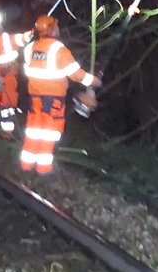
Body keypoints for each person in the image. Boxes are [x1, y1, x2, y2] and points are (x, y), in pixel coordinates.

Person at [20, 14, 100, 174]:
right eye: (55, 26)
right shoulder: (59, 50)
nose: (58, 28)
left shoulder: (30, 48)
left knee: (34, 130)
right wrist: (93, 81)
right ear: (51, 29)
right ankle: (43, 168)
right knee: (48, 133)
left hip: (35, 98)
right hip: (53, 99)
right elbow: (76, 74)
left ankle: (26, 165)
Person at [0, 11, 33, 138]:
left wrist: (31, 33)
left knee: (8, 104)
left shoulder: (8, 38)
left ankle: (7, 132)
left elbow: (21, 38)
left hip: (9, 75)